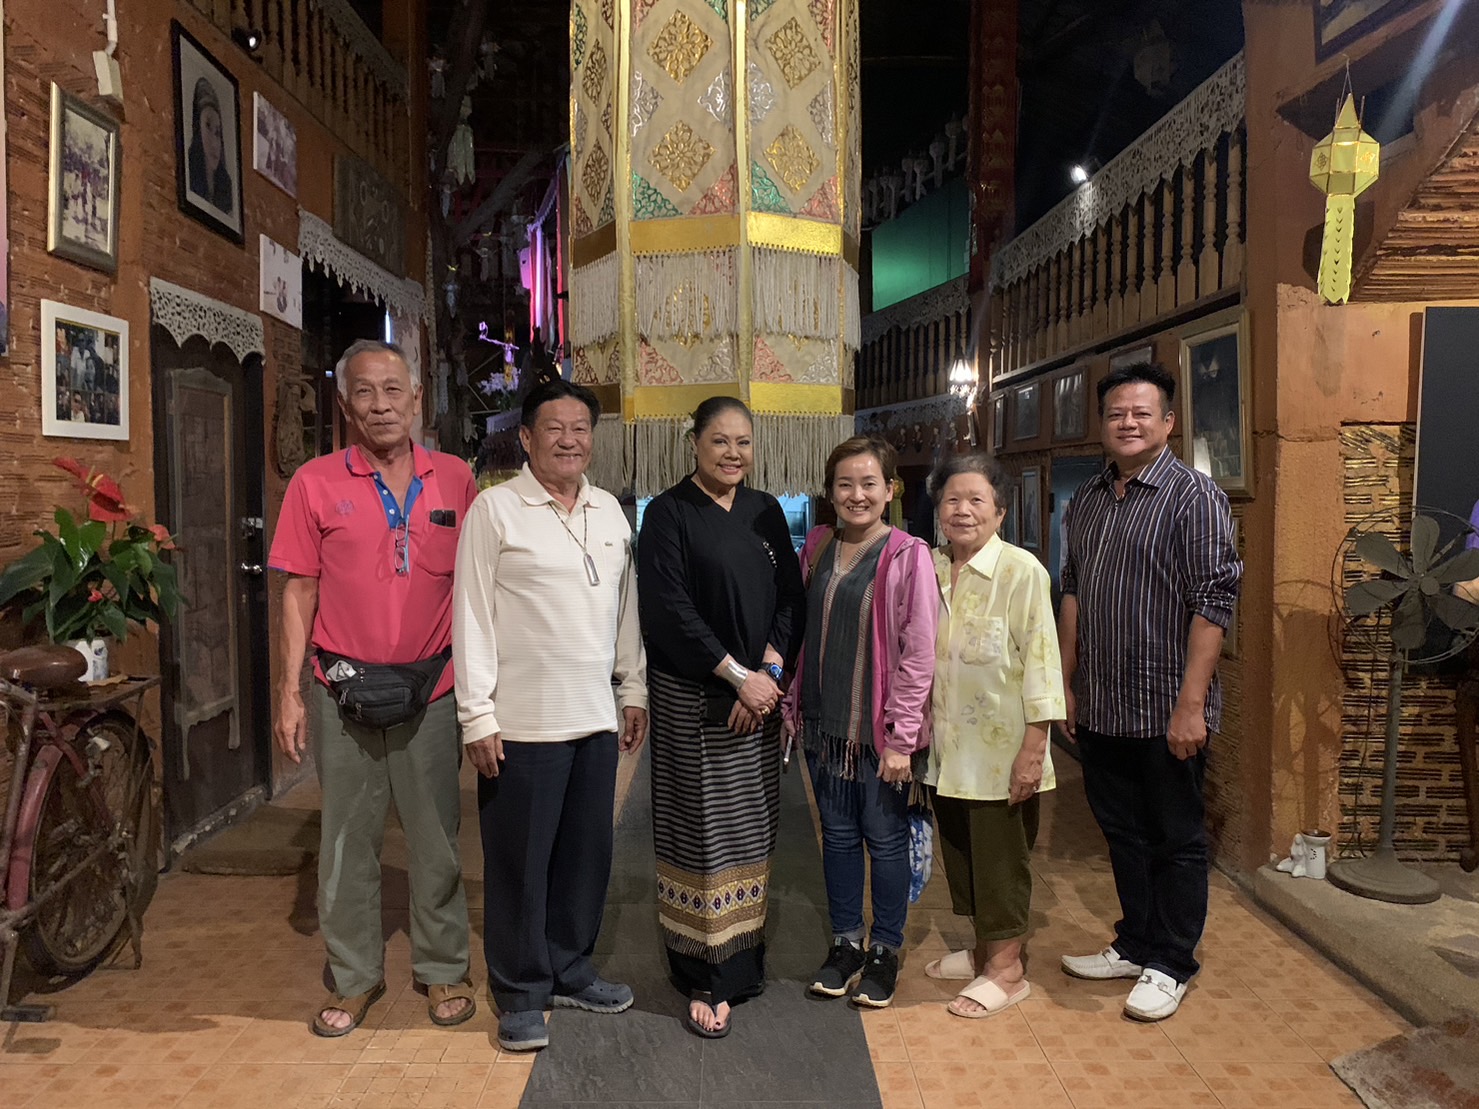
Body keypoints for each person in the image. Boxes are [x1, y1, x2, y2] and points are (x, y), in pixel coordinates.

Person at [269, 339, 478, 1037]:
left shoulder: (456, 479)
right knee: (345, 841)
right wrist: (289, 691)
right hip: (341, 690)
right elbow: (298, 591)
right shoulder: (314, 482)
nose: (381, 405)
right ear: (344, 403)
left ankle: (442, 967)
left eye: (393, 390)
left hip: (435, 687)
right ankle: (355, 976)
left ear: (416, 398)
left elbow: (479, 588)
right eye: (364, 391)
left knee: (436, 837)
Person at [453, 378, 648, 1053]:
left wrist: (633, 688)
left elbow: (626, 609)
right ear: (526, 437)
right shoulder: (496, 510)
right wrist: (476, 715)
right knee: (519, 865)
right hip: (522, 725)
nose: (569, 440)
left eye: (580, 428)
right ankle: (520, 991)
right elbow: (471, 613)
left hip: (593, 719)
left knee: (585, 858)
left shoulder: (609, 510)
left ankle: (569, 967)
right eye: (554, 428)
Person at [1058, 361, 1241, 1022]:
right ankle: (1135, 942)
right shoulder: (1086, 498)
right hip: (1103, 701)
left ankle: (1171, 960)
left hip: (1167, 705)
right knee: (1121, 832)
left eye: (1141, 413)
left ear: (1168, 421)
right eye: (1116, 413)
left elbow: (1213, 604)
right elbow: (1073, 591)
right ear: (1102, 423)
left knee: (1176, 838)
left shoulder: (1194, 496)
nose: (1127, 423)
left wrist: (1192, 705)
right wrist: (1065, 684)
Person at [637, 396, 805, 1038]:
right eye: (719, 441)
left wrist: (769, 676)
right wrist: (737, 676)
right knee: (698, 832)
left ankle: (741, 963)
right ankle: (702, 975)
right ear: (694, 443)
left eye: (743, 442)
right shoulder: (668, 513)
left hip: (757, 702)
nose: (733, 454)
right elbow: (670, 610)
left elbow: (790, 600)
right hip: (692, 697)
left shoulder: (765, 511)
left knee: (751, 829)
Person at [782, 436, 937, 1008]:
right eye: (845, 484)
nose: (857, 494)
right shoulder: (818, 545)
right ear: (830, 491)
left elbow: (919, 652)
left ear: (890, 490)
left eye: (870, 483)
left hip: (880, 732)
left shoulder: (908, 555)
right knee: (840, 836)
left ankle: (885, 949)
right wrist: (790, 701)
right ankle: (846, 942)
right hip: (825, 726)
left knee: (886, 840)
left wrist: (901, 737)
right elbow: (800, 631)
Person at [922, 454, 1065, 1018]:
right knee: (963, 856)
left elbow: (1043, 663)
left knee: (1002, 862)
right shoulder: (931, 567)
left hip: (1002, 754)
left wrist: (1034, 750)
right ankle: (984, 951)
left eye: (976, 500)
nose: (962, 510)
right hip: (946, 753)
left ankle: (1007, 972)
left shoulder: (1021, 571)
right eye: (952, 499)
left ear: (1000, 511)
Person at [187, 77, 234, 213]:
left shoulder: (225, 188)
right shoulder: (191, 178)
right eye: (207, 126)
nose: (214, 144)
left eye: (218, 133)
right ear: (198, 130)